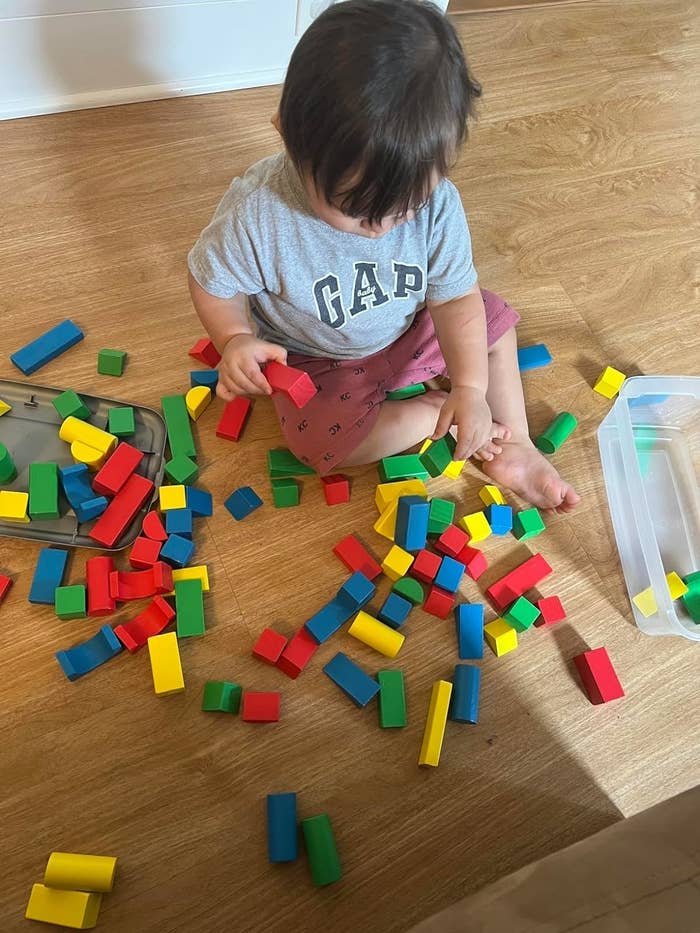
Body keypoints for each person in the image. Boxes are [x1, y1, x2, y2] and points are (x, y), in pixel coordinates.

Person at [188, 0, 579, 512]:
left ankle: (515, 446)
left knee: (493, 325)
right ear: (287, 133)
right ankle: (431, 412)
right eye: (355, 210)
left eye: (405, 207)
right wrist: (235, 337)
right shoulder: (258, 214)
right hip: (316, 354)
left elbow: (456, 299)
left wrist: (471, 386)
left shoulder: (438, 204)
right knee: (315, 444)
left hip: (413, 326)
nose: (380, 230)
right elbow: (212, 281)